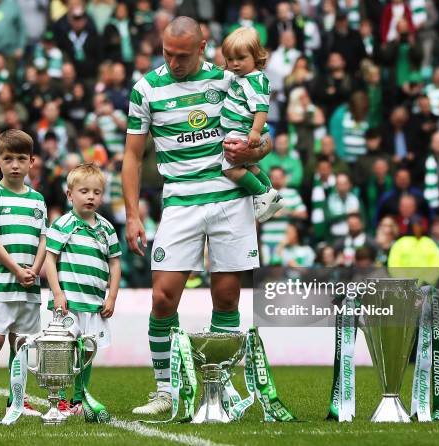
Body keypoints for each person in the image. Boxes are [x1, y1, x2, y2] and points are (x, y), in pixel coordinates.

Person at [123, 16, 271, 415]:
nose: (174, 62)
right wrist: (132, 215)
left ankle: (217, 389)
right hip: (180, 202)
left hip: (228, 199)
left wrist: (253, 152)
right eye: (168, 54)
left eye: (182, 56)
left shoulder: (228, 79)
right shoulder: (146, 89)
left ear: (203, 47)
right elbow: (133, 156)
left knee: (226, 297)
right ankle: (165, 390)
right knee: (162, 296)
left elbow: (265, 137)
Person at [0, 130, 47, 418]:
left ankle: (18, 399)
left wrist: (35, 269)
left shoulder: (38, 200)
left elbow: (44, 239)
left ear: (31, 162)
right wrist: (17, 269)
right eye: (8, 159)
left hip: (28, 284)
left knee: (21, 342)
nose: (15, 164)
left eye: (21, 159)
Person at [45, 163, 121, 416]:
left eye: (97, 192)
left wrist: (111, 296)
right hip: (68, 302)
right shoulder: (63, 224)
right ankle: (61, 398)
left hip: (94, 303)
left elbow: (115, 263)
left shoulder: (107, 228)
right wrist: (57, 293)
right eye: (84, 191)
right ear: (70, 195)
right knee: (64, 350)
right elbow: (50, 259)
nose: (91, 197)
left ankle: (80, 399)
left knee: (87, 351)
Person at [220, 27, 282, 222]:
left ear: (255, 56)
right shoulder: (243, 77)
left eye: (241, 58)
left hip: (244, 132)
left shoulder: (255, 81)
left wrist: (255, 132)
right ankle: (272, 193)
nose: (235, 64)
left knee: (231, 169)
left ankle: (262, 194)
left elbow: (262, 109)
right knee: (251, 168)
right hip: (242, 131)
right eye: (230, 59)